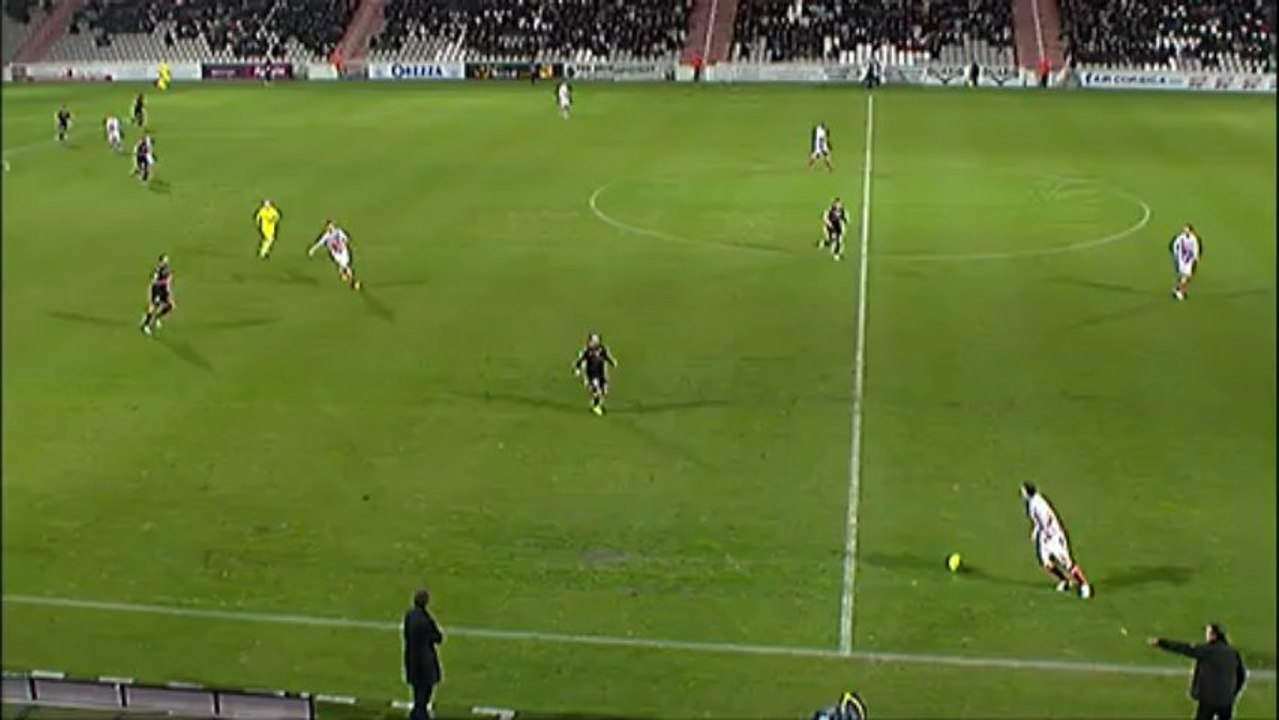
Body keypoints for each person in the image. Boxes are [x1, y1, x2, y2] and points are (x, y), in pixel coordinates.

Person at [1148, 624, 1247, 720]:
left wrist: (1161, 643)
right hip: (1226, 700)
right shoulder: (1233, 653)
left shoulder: (1207, 650)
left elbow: (1184, 648)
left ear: (1214, 635)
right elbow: (1242, 676)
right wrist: (1232, 694)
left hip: (1208, 699)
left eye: (1208, 633)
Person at [1020, 482, 1092, 598]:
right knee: (1045, 562)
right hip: (1044, 536)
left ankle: (1084, 585)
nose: (1022, 493)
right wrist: (1036, 530)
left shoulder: (1038, 504)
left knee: (1067, 563)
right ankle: (1065, 580)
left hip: (1054, 536)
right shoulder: (1031, 502)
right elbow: (1038, 520)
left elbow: (1047, 518)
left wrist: (1048, 533)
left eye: (1023, 491)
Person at [403, 589, 444, 720]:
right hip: (425, 661)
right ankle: (419, 715)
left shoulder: (409, 616)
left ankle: (417, 713)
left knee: (417, 692)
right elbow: (438, 637)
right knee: (424, 692)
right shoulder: (425, 620)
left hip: (411, 659)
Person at [308, 220, 361, 290]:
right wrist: (313, 249)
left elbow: (346, 238)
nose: (330, 228)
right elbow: (319, 243)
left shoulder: (338, 232)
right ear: (326, 227)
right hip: (335, 254)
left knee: (344, 266)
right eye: (328, 226)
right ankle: (352, 280)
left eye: (331, 226)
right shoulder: (326, 235)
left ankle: (348, 278)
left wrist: (344, 242)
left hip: (343, 251)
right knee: (343, 266)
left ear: (333, 226)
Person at [573, 333, 617, 415]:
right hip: (592, 375)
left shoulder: (602, 350)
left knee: (604, 391)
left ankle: (595, 402)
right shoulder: (588, 351)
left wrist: (612, 362)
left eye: (595, 341)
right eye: (592, 341)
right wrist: (577, 369)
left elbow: (607, 357)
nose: (592, 343)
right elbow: (580, 360)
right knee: (597, 390)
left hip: (601, 373)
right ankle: (596, 407)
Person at [141, 254, 175, 335]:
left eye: (167, 260)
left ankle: (157, 318)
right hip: (157, 290)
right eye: (165, 260)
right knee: (153, 307)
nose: (167, 262)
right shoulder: (157, 270)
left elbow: (169, 277)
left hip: (164, 290)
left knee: (171, 306)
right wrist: (165, 282)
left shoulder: (167, 268)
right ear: (161, 261)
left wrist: (169, 282)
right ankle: (146, 325)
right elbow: (153, 282)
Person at [1171, 224, 1202, 301]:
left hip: (1189, 260)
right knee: (1185, 276)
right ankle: (1180, 292)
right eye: (1184, 230)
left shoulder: (1193, 238)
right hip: (1182, 260)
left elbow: (1196, 247)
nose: (1185, 231)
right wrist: (1176, 254)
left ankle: (1178, 289)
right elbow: (1175, 245)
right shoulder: (1181, 237)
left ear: (1190, 231)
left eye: (1187, 230)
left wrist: (1196, 256)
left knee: (1186, 277)